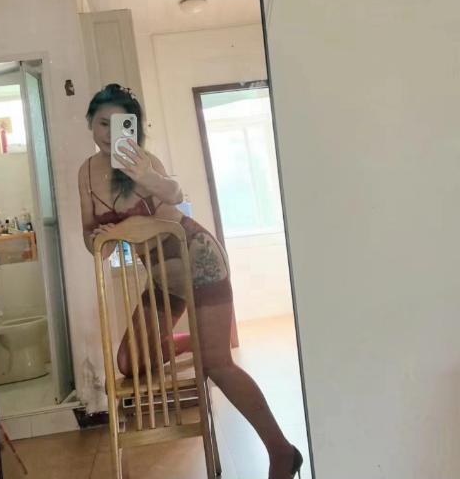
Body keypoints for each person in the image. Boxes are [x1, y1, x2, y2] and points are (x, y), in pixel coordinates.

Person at [78, 83, 302, 479]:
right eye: (102, 123)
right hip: (163, 278)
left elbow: (175, 194)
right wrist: (100, 238)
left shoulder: (142, 160)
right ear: (90, 124)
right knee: (129, 363)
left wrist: (145, 176)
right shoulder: (86, 173)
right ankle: (194, 340)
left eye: (119, 123)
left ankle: (281, 451)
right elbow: (92, 241)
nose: (110, 134)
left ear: (133, 126)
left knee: (217, 363)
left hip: (197, 259)